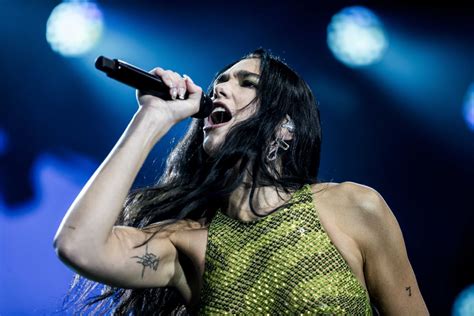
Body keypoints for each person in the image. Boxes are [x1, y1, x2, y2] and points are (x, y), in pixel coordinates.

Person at [54, 48, 429, 315]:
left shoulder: (353, 207)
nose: (219, 88)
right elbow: (78, 245)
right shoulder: (187, 242)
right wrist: (152, 117)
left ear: (284, 126)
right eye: (219, 81)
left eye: (245, 83)